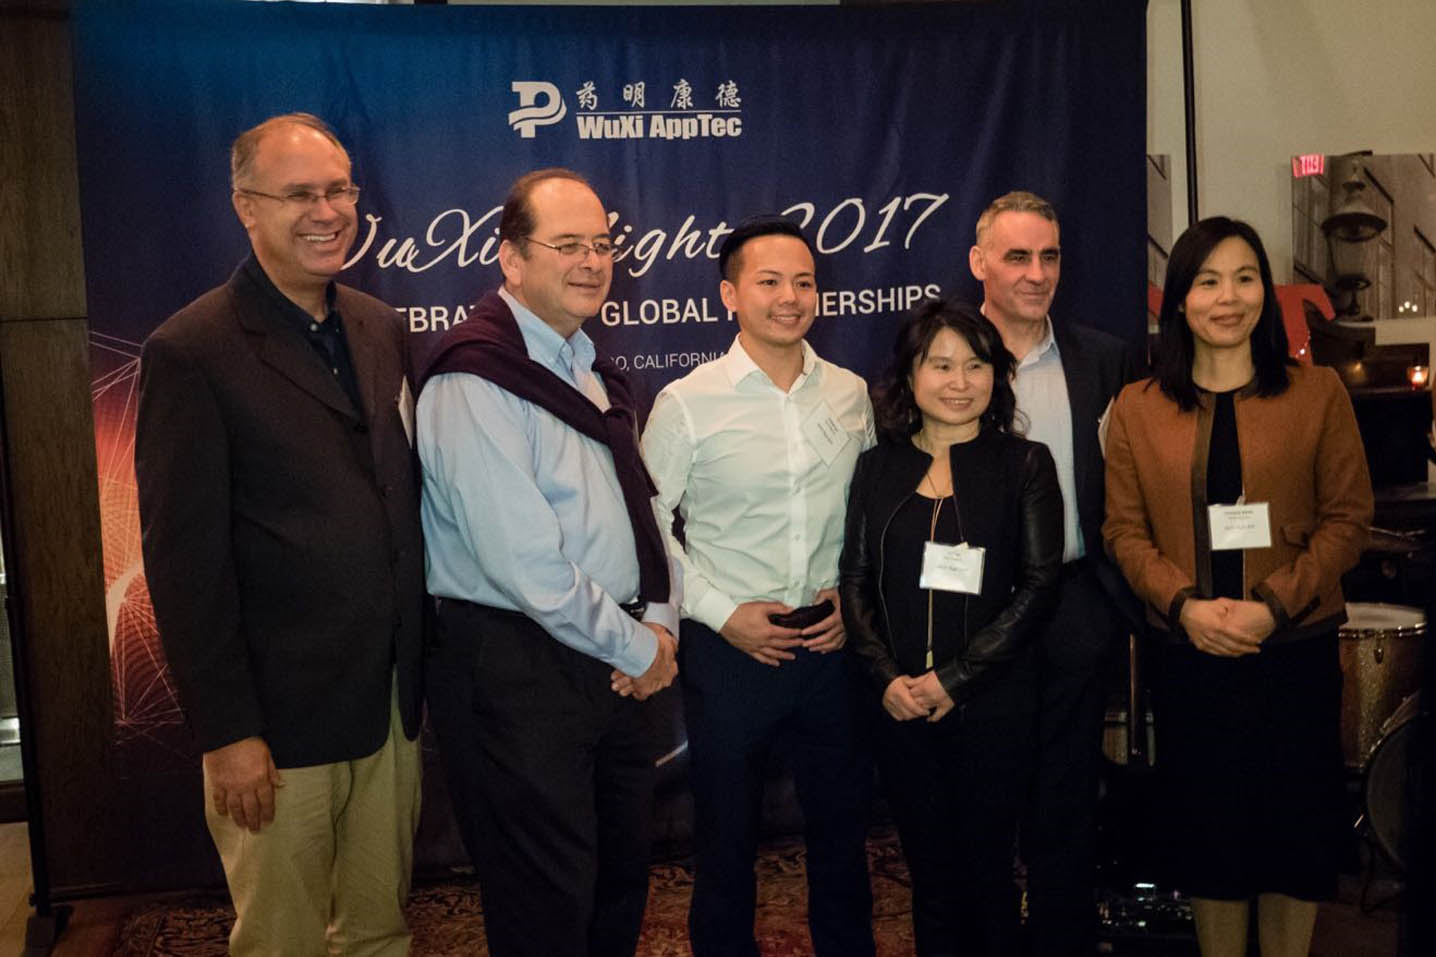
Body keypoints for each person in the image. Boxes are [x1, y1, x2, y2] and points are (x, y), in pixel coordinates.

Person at [134, 113, 425, 956]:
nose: (326, 212)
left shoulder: (379, 326)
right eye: (300, 194)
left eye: (339, 190)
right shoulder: (191, 350)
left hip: (390, 705)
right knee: (282, 940)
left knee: (379, 929)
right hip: (275, 723)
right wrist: (227, 731)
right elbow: (184, 564)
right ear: (246, 207)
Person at [417, 168, 681, 957]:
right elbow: (523, 563)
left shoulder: (589, 368)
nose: (591, 261)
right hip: (520, 670)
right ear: (511, 257)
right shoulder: (473, 377)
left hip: (611, 662)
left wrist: (660, 624)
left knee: (617, 884)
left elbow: (643, 513)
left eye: (601, 244)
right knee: (546, 904)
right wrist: (640, 648)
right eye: (567, 244)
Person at [1103, 216, 1373, 957]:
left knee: (1293, 835)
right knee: (1210, 837)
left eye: (1245, 278)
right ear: (1179, 300)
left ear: (1266, 292)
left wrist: (1274, 606)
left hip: (1292, 653)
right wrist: (1184, 606)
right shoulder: (1136, 408)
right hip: (1189, 657)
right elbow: (1123, 531)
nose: (1228, 297)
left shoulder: (1317, 394)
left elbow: (1347, 519)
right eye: (1208, 281)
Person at [641, 215, 877, 956]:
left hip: (831, 643)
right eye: (769, 281)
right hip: (730, 650)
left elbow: (873, 508)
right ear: (729, 295)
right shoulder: (688, 401)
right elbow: (649, 523)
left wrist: (853, 597)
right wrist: (720, 613)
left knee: (843, 833)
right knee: (726, 839)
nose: (790, 297)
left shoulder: (850, 393)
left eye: (804, 282)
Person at [840, 298, 1063, 955]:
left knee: (988, 877)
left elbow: (1040, 585)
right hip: (901, 708)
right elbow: (854, 580)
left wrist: (954, 680)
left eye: (976, 365)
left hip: (993, 707)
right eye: (940, 365)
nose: (960, 381)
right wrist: (887, 678)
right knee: (930, 876)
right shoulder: (877, 466)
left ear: (997, 375)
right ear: (909, 376)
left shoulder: (1025, 464)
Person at [966, 190, 1142, 955]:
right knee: (983, 797)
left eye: (1049, 256)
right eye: (1017, 256)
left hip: (1075, 604)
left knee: (1068, 795)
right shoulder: (944, 356)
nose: (1037, 273)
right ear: (979, 262)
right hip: (977, 607)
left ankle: (1061, 939)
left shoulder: (1104, 358)